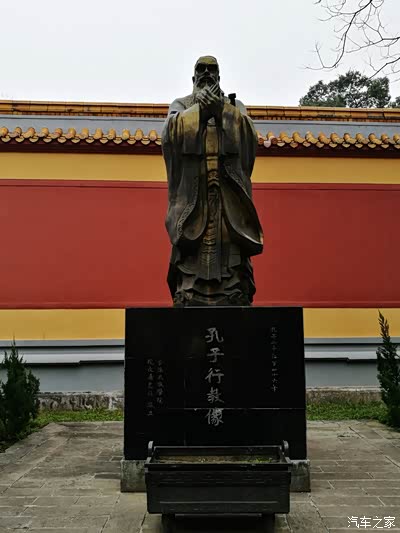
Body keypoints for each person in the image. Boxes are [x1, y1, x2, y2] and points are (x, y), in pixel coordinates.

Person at [162, 55, 263, 307]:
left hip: (227, 190)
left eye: (212, 69)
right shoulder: (181, 104)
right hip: (194, 193)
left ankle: (234, 290)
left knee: (228, 239)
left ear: (219, 76)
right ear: (193, 77)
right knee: (193, 242)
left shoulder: (234, 105)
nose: (207, 73)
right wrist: (200, 111)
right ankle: (188, 290)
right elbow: (170, 134)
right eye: (201, 69)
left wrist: (221, 110)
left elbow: (248, 137)